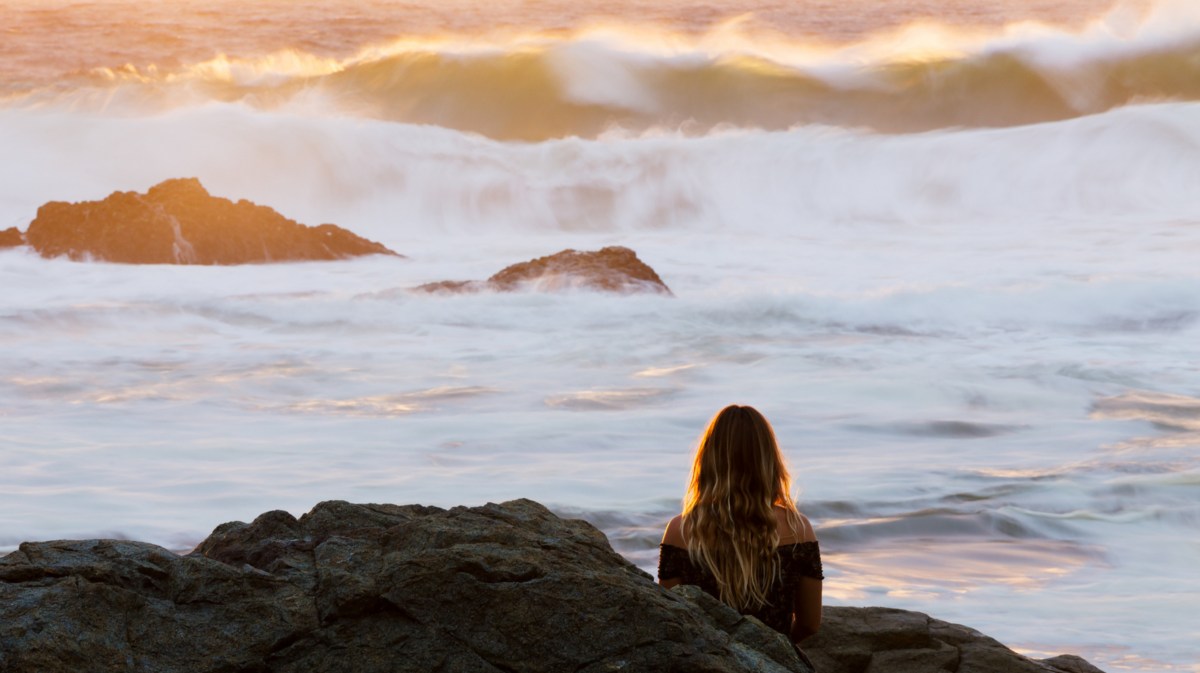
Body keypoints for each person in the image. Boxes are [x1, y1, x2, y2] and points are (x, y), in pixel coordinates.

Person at [657, 404, 823, 653]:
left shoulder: (680, 530)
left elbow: (673, 621)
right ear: (769, 459)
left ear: (709, 458)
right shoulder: (798, 528)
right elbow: (809, 624)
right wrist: (774, 649)